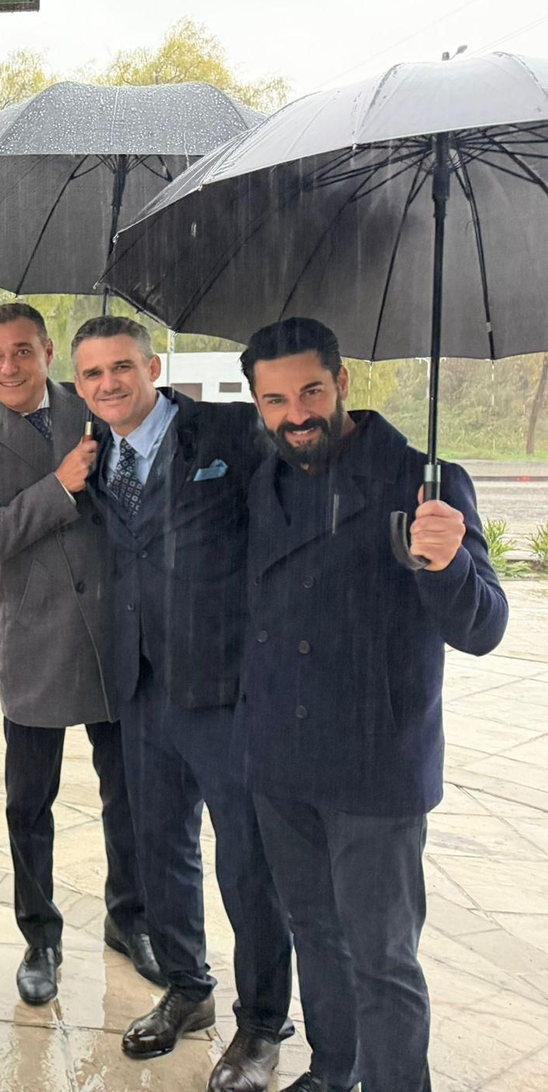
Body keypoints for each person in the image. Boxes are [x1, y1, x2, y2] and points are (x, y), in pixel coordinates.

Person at [240, 317, 507, 1092]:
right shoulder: (266, 478)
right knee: (315, 934)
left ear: (343, 382)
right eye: (276, 399)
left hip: (375, 765)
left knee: (383, 958)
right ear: (257, 402)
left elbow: (485, 628)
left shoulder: (425, 482)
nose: (296, 415)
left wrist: (447, 562)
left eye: (311, 392)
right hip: (280, 762)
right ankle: (334, 1070)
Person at [71, 316, 293, 1092]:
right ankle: (190, 990)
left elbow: (293, 515)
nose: (109, 384)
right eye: (93, 374)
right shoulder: (96, 457)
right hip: (139, 688)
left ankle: (262, 1024)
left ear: (153, 366)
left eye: (122, 367)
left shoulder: (230, 430)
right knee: (159, 846)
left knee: (249, 859)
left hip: (228, 687)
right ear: (80, 385)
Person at [0, 302, 157, 1007]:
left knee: (128, 797)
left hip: (114, 638)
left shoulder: (96, 409)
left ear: (48, 351)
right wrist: (58, 486)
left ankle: (132, 921)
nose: (8, 367)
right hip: (34, 644)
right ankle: (41, 937)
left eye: (21, 352)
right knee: (28, 804)